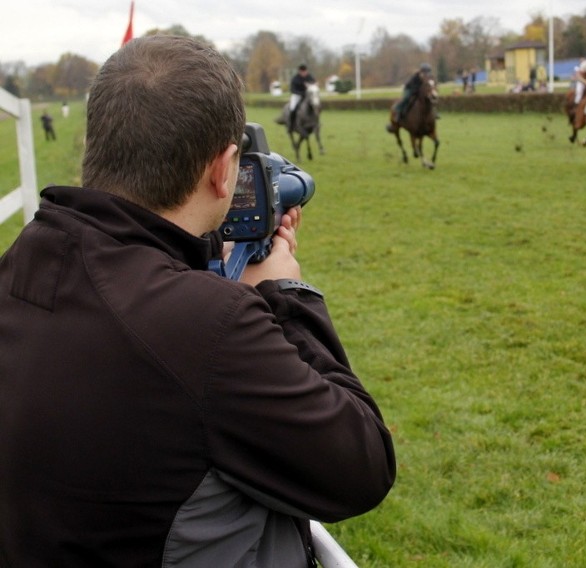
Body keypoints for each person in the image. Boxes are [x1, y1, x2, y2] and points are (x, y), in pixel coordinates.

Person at [0, 35, 396, 566]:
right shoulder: (212, 325)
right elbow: (363, 466)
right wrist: (285, 291)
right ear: (224, 168)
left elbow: (131, 281)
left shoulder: (26, 259)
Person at [388, 62, 433, 129]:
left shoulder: (427, 78)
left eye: (428, 72)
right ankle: (398, 110)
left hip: (418, 91)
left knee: (429, 98)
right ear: (421, 72)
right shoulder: (415, 76)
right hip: (410, 89)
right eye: (425, 72)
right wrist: (419, 90)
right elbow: (413, 87)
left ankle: (434, 112)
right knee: (406, 98)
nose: (426, 74)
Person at [288, 63, 316, 133]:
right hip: (297, 95)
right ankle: (291, 125)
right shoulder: (295, 79)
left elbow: (314, 84)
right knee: (292, 108)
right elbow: (292, 90)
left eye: (305, 71)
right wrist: (301, 93)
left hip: (307, 95)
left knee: (315, 104)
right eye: (303, 72)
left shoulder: (309, 77)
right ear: (300, 71)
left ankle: (315, 122)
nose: (304, 73)